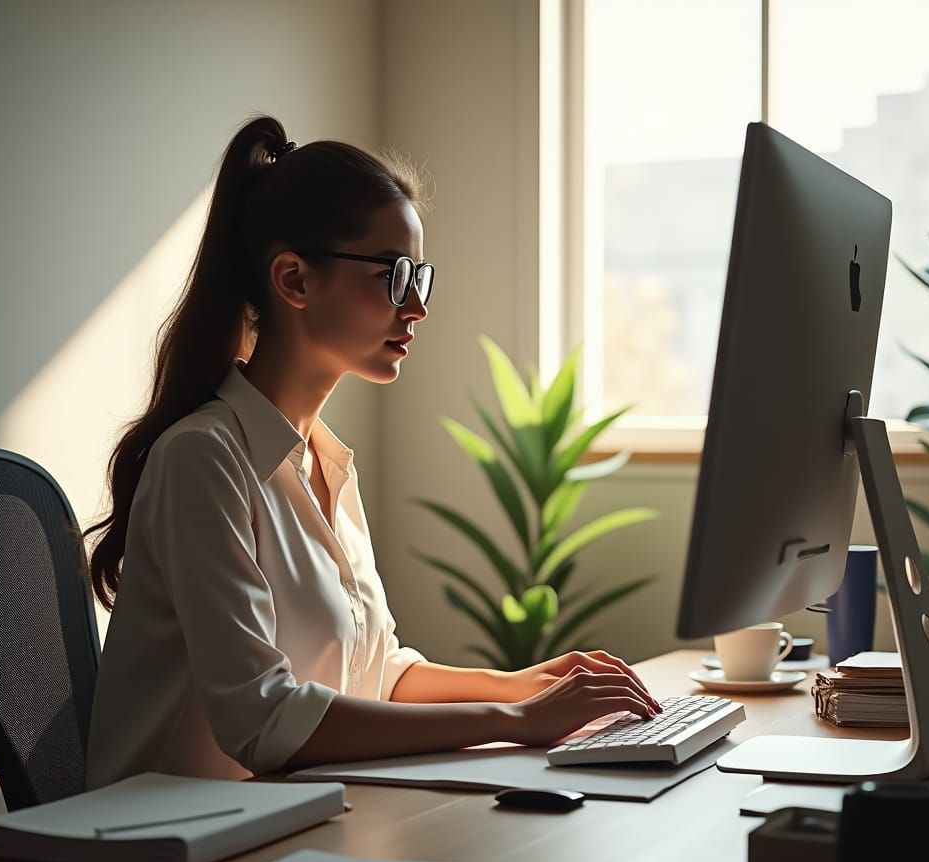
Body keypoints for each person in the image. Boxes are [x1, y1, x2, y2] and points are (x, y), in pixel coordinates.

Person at [84, 114, 659, 790]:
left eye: (419, 276)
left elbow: (375, 673)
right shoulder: (202, 461)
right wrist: (512, 717)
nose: (415, 307)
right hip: (166, 856)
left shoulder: (323, 462)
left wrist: (528, 686)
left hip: (281, 828)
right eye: (393, 275)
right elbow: (262, 721)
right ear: (294, 280)